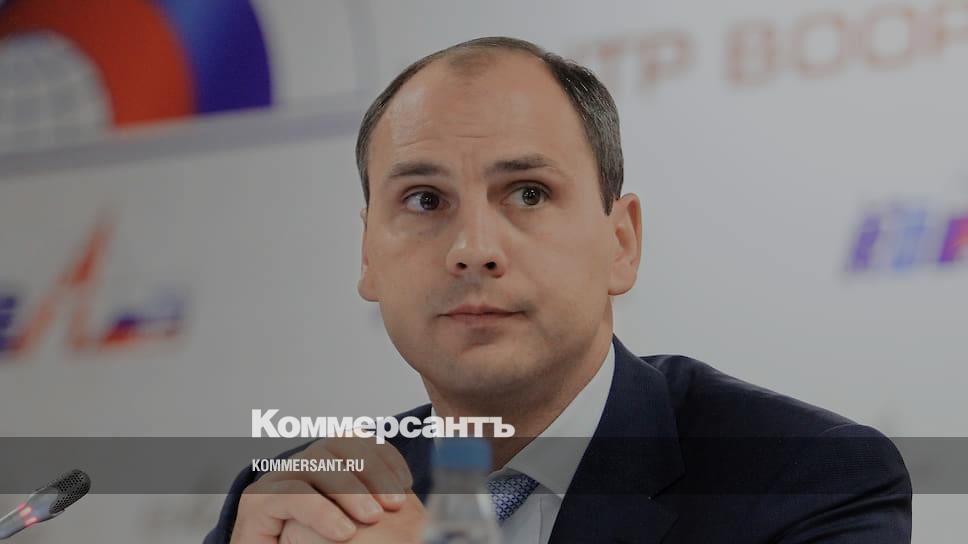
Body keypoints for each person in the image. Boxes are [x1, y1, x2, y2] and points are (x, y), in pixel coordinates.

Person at [205, 37, 912, 544]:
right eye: (424, 200)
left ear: (620, 243)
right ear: (368, 255)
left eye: (529, 193)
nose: (472, 249)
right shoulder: (300, 498)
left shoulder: (810, 480)